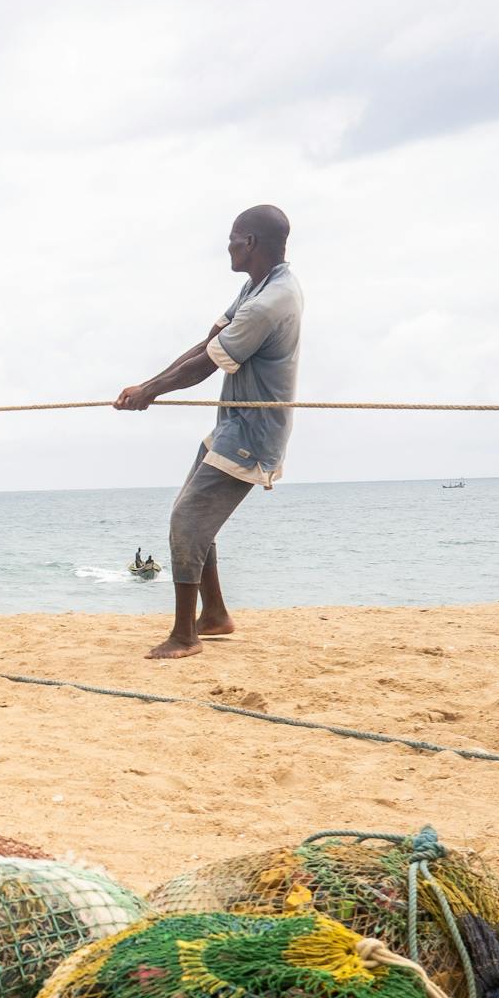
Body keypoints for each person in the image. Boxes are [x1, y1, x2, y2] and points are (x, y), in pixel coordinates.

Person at [114, 204, 303, 660]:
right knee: (191, 515)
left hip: (253, 432)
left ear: (251, 243)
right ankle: (214, 614)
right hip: (231, 424)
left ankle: (184, 635)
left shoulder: (270, 302)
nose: (229, 246)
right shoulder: (254, 286)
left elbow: (204, 366)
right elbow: (206, 343)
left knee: (186, 522)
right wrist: (147, 386)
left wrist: (151, 392)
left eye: (234, 237)